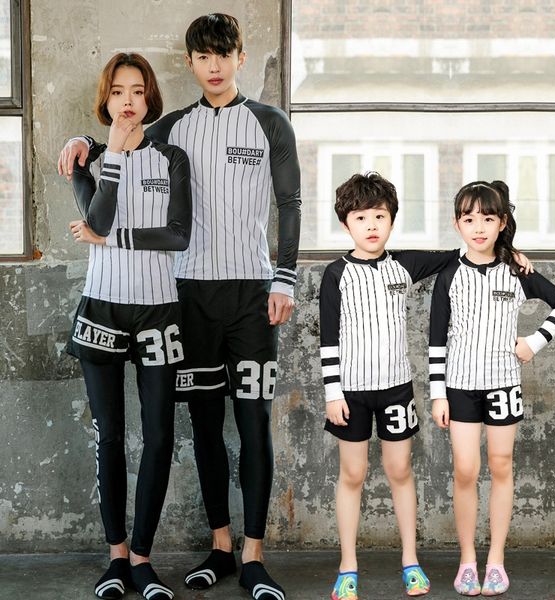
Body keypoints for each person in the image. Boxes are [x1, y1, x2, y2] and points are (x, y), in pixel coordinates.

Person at [58, 13, 300, 600]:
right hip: (187, 297)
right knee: (205, 426)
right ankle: (220, 546)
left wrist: (285, 280)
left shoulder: (270, 122)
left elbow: (290, 202)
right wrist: (81, 142)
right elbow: (124, 135)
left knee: (254, 423)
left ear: (241, 58)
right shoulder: (173, 128)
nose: (214, 66)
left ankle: (254, 556)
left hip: (252, 294)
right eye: (203, 57)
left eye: (224, 54)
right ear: (190, 63)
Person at [65, 53, 192, 600]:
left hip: (158, 309)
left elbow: (179, 236)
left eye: (137, 91)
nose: (128, 101)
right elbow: (94, 218)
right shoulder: (85, 159)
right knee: (110, 436)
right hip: (103, 308)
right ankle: (116, 558)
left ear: (149, 98)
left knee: (159, 437)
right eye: (118, 91)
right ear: (106, 99)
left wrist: (112, 239)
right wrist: (110, 155)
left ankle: (143, 559)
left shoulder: (172, 157)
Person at [320, 172, 463, 599]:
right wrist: (332, 393)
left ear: (392, 220)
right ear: (345, 224)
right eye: (360, 217)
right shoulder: (336, 274)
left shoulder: (404, 265)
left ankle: (410, 560)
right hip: (350, 393)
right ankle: (348, 566)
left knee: (400, 471)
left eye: (379, 216)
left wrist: (511, 252)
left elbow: (463, 252)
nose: (371, 225)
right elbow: (328, 338)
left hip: (396, 389)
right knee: (353, 474)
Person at [428, 180, 555, 596]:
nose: (479, 227)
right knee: (466, 470)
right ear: (457, 224)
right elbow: (436, 338)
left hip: (504, 384)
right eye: (469, 219)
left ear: (502, 222)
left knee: (502, 465)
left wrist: (534, 342)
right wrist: (438, 393)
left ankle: (495, 561)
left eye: (488, 219)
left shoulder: (516, 270)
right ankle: (467, 562)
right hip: (459, 386)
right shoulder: (449, 274)